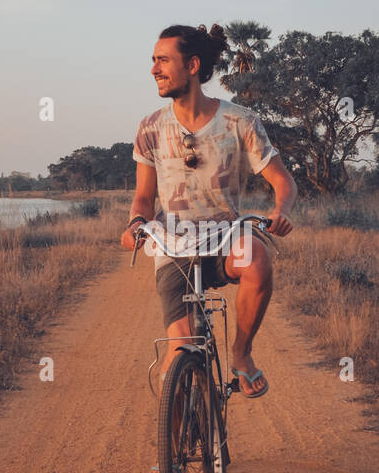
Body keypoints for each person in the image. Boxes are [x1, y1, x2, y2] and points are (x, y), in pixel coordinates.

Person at [122, 23, 297, 435]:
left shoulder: (240, 122)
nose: (154, 70)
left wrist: (281, 209)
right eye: (153, 60)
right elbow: (144, 200)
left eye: (163, 60)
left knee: (257, 258)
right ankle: (172, 453)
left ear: (193, 66)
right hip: (174, 247)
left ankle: (241, 356)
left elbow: (283, 180)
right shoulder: (150, 127)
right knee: (177, 355)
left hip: (225, 237)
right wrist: (135, 223)